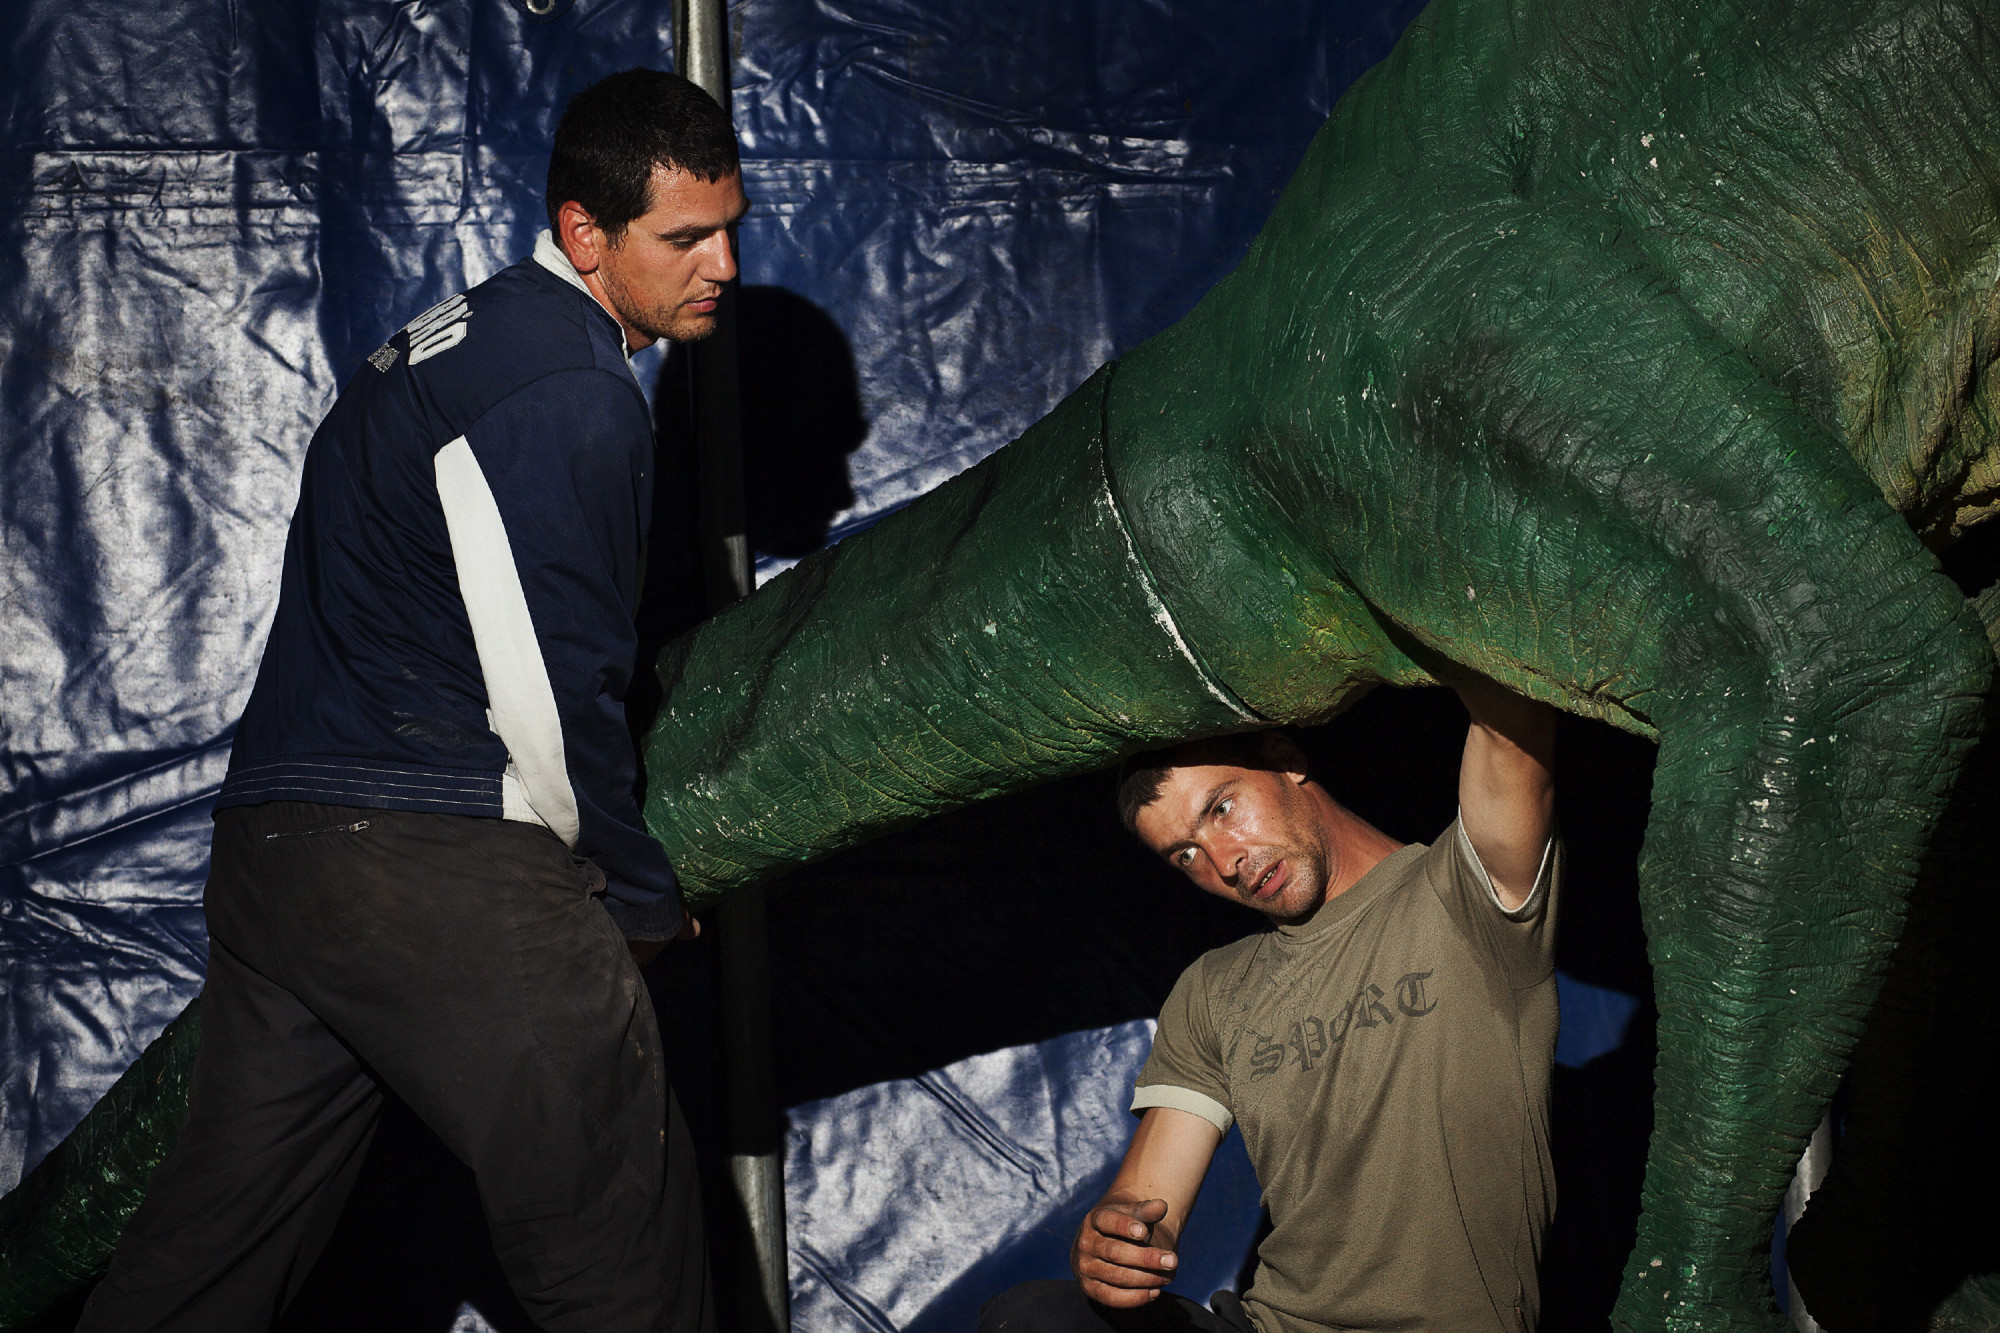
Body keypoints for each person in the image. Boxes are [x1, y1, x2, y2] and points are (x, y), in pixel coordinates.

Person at [78, 69, 746, 1333]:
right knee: (625, 1274)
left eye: (728, 230)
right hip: (438, 862)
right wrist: (636, 894)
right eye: (683, 239)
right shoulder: (567, 385)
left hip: (280, 854)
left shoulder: (453, 337)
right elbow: (554, 685)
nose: (721, 265)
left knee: (202, 1272)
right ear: (585, 231)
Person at [982, 689, 1560, 1333]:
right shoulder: (1212, 990)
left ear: (1287, 760)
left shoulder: (1471, 890)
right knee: (1030, 1316)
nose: (1225, 861)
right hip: (1271, 1325)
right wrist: (1113, 1245)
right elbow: (1145, 1205)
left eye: (1222, 808)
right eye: (1186, 854)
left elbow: (1511, 718)